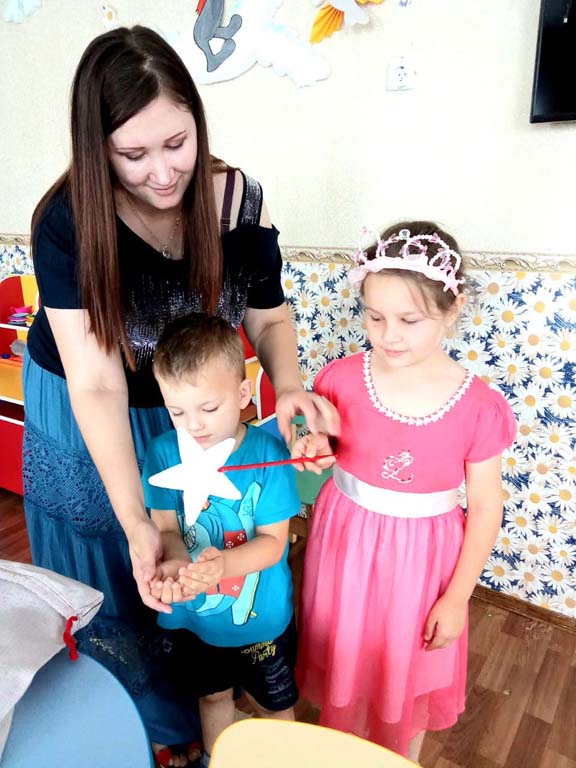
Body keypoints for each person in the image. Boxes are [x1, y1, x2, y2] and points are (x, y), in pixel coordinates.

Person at [23, 25, 337, 767]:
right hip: (88, 406)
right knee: (120, 556)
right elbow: (97, 380)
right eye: (133, 155)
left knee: (195, 548)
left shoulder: (235, 200)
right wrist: (136, 517)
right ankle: (140, 731)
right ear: (96, 148)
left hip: (185, 406)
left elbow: (267, 316)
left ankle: (200, 711)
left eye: (177, 143)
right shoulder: (67, 221)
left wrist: (288, 385)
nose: (163, 173)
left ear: (198, 122)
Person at [291, 222, 517, 763]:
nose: (388, 335)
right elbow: (318, 456)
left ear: (452, 309)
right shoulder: (340, 379)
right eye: (374, 317)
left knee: (406, 665)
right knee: (345, 651)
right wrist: (312, 450)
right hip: (345, 544)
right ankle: (340, 750)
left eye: (409, 320)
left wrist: (457, 598)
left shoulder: (479, 408)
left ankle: (397, 757)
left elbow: (486, 507)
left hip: (422, 560)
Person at [142, 313, 301, 768]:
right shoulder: (162, 453)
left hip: (261, 623)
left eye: (208, 409)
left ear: (243, 394)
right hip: (197, 622)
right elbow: (167, 530)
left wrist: (223, 568)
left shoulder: (268, 455)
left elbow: (273, 543)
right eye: (177, 412)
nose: (193, 425)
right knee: (212, 698)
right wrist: (174, 564)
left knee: (274, 706)